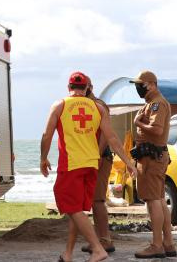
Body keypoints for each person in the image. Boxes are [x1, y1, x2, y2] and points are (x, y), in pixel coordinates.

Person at [41, 72, 136, 262]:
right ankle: (68, 253)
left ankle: (98, 249)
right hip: (92, 164)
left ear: (69, 88)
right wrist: (128, 162)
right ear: (86, 89)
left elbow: (47, 135)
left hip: (71, 164)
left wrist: (43, 158)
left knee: (69, 205)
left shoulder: (60, 105)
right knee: (78, 210)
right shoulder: (98, 108)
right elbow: (112, 138)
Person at [130, 70, 176, 259]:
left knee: (153, 201)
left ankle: (157, 244)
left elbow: (157, 131)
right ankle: (167, 243)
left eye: (140, 84)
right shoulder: (151, 103)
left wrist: (138, 123)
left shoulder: (157, 104)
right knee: (158, 200)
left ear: (151, 84)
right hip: (149, 157)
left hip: (151, 158)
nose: (138, 88)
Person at [81, 82, 116, 255]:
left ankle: (105, 240)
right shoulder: (89, 105)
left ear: (89, 88)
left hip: (101, 157)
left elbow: (105, 135)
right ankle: (99, 239)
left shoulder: (99, 105)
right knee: (94, 200)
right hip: (94, 157)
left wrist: (99, 156)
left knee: (98, 200)